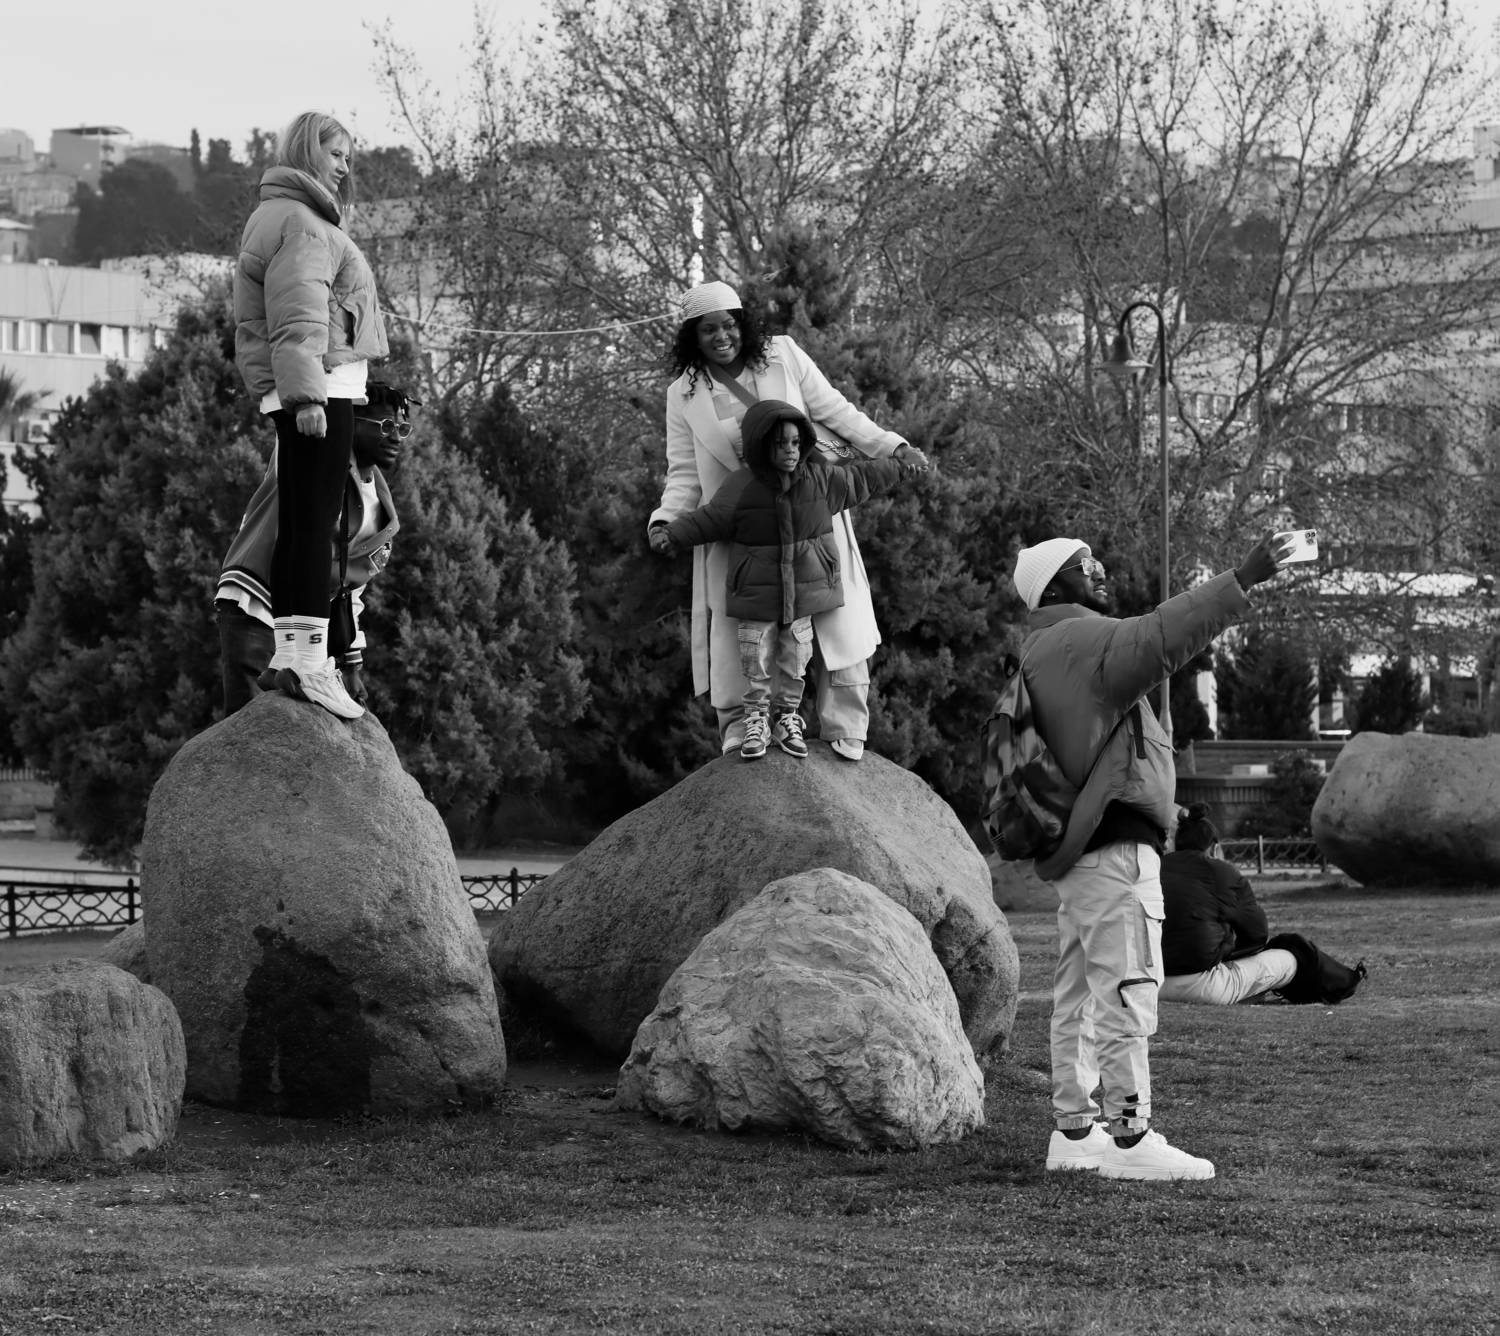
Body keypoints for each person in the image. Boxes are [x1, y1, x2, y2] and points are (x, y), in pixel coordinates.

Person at [1012, 530, 1295, 1181]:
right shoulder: (1080, 639)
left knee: (1081, 995)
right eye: (1085, 563)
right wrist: (1241, 579)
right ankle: (1131, 1137)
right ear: (1055, 584)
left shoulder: (1044, 647)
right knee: (1128, 989)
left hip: (1083, 853)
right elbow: (1160, 636)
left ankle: (1075, 1132)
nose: (1100, 569)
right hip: (1113, 853)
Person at [647, 280, 926, 761]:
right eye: (708, 329)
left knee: (837, 617)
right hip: (740, 527)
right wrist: (666, 520)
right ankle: (743, 724)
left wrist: (893, 446)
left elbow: (835, 410)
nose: (721, 337)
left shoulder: (783, 354)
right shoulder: (683, 393)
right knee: (743, 629)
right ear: (693, 336)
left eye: (729, 325)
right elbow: (685, 472)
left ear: (743, 324)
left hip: (809, 513)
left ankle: (845, 724)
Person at [232, 109, 389, 721]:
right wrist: (308, 400)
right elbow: (297, 316)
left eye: (349, 155)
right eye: (336, 152)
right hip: (319, 388)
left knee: (303, 525)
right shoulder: (301, 222)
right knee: (315, 527)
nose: (345, 165)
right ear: (306, 150)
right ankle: (309, 662)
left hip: (310, 386)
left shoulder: (286, 214)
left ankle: (295, 655)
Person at [216, 393, 408, 717]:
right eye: (386, 425)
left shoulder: (378, 497)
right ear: (349, 420)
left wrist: (351, 664)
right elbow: (293, 425)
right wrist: (315, 400)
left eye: (402, 428)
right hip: (256, 601)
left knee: (295, 727)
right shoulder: (312, 458)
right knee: (253, 724)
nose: (396, 437)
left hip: (308, 625)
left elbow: (350, 586)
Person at [1160, 804, 1366, 1006]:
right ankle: (1342, 984)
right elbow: (1257, 934)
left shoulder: (1157, 867)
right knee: (1290, 957)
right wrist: (1229, 954)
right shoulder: (1222, 872)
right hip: (1204, 986)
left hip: (1152, 984)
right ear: (1215, 848)